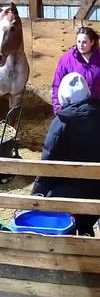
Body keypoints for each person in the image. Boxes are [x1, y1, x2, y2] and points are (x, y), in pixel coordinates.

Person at [32, 72, 100, 236]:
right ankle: (86, 235)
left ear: (64, 97)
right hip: (98, 190)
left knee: (54, 200)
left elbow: (48, 165)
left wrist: (35, 196)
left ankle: (69, 241)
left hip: (70, 194)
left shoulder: (61, 123)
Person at [52, 26, 100, 114]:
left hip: (96, 108)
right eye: (79, 41)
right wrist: (58, 109)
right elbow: (57, 84)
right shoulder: (67, 59)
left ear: (92, 42)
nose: (80, 45)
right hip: (73, 110)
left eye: (84, 42)